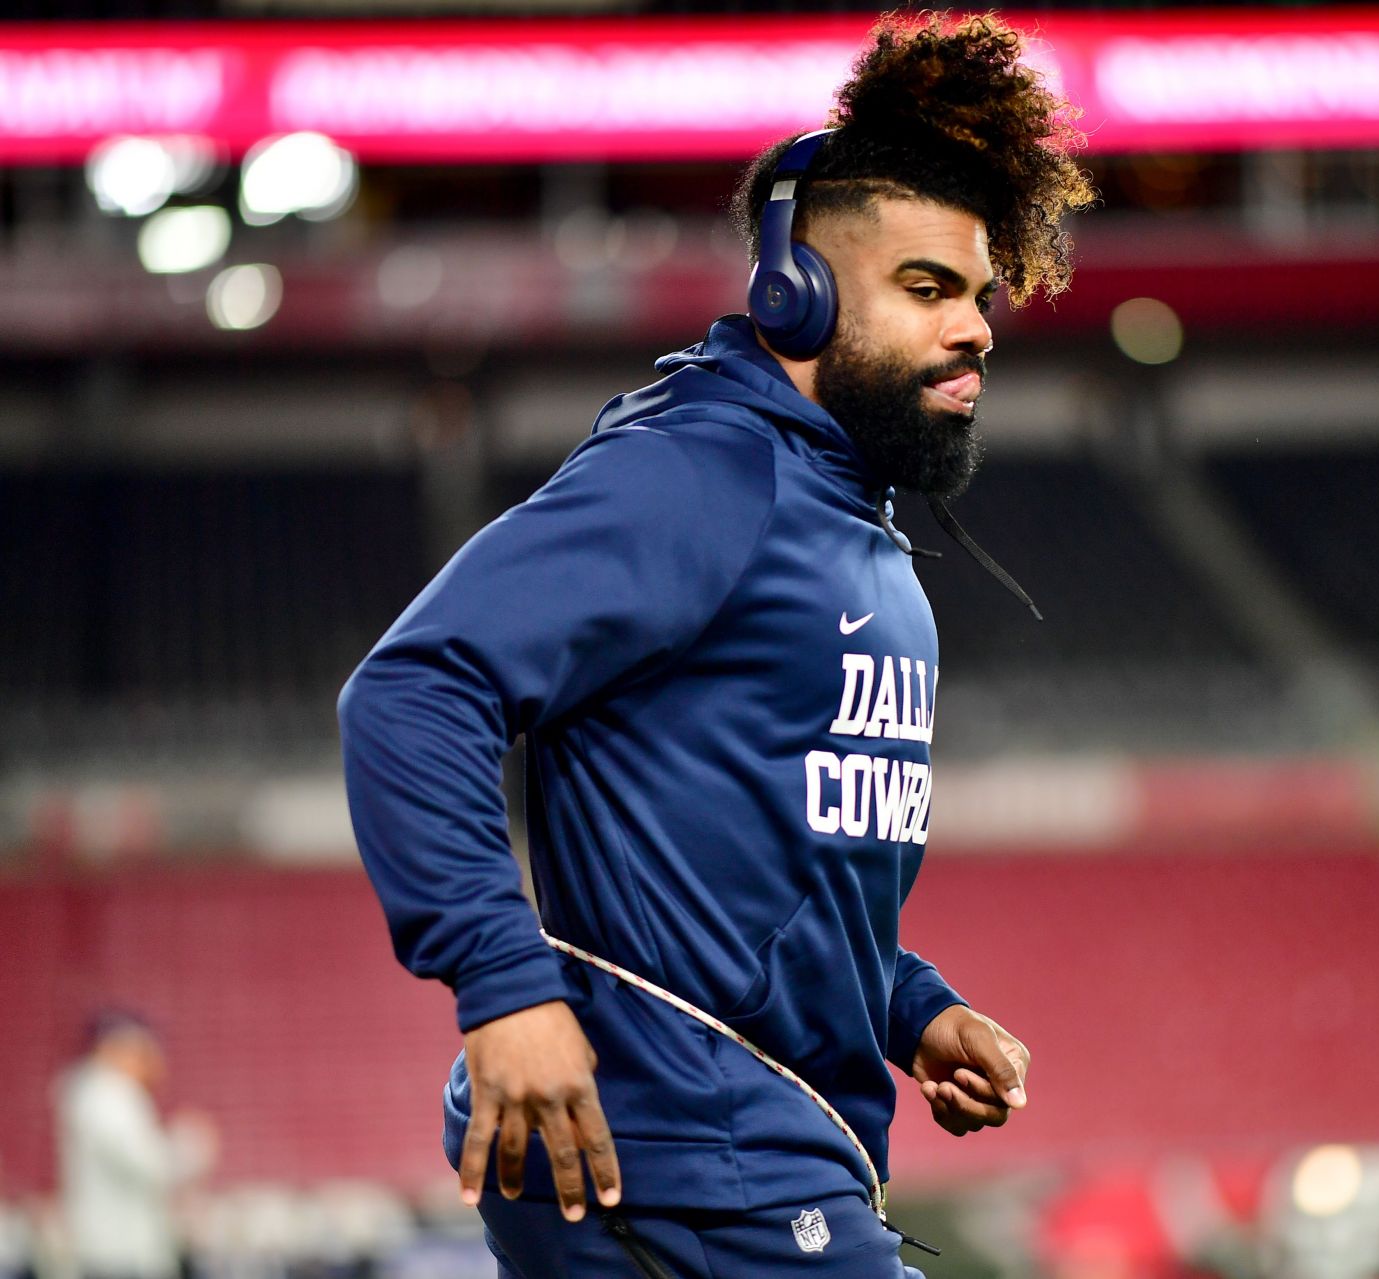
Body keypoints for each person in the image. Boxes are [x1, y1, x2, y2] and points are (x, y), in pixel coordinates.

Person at [337, 13, 1095, 1277]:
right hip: (686, 1162)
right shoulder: (701, 473)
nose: (977, 329)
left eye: (978, 295)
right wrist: (503, 981)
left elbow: (759, 869)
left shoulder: (857, 527)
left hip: (764, 1156)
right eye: (925, 288)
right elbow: (417, 687)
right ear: (793, 289)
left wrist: (912, 1009)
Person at [55, 1012, 216, 1279]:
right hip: (120, 1254)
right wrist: (191, 1146)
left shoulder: (99, 1095)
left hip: (117, 1250)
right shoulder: (107, 1096)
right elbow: (150, 1165)